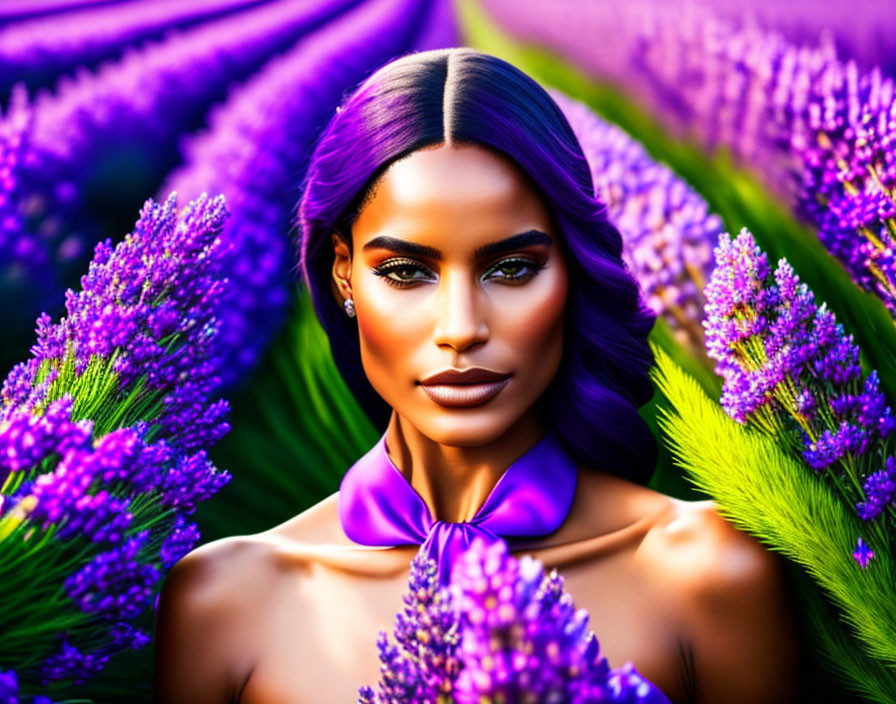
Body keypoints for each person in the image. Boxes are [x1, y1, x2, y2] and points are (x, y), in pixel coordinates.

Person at [152, 48, 801, 704]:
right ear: (344, 274)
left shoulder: (707, 575)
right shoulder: (225, 603)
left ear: (572, 271)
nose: (460, 327)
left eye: (511, 268)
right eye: (407, 271)